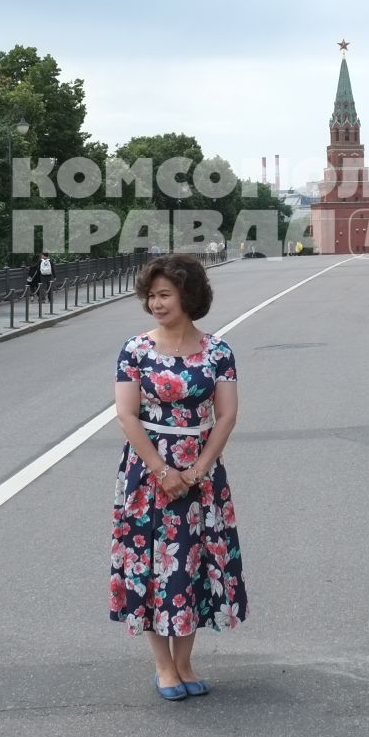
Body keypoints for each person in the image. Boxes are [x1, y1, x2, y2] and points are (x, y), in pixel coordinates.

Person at [110, 254, 246, 700]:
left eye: (164, 294)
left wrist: (200, 468)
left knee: (193, 565)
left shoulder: (218, 350)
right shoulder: (135, 350)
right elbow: (127, 415)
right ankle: (163, 666)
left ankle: (185, 662)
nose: (156, 303)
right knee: (150, 566)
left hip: (202, 473)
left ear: (188, 296)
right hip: (148, 473)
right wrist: (162, 470)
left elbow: (226, 414)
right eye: (151, 295)